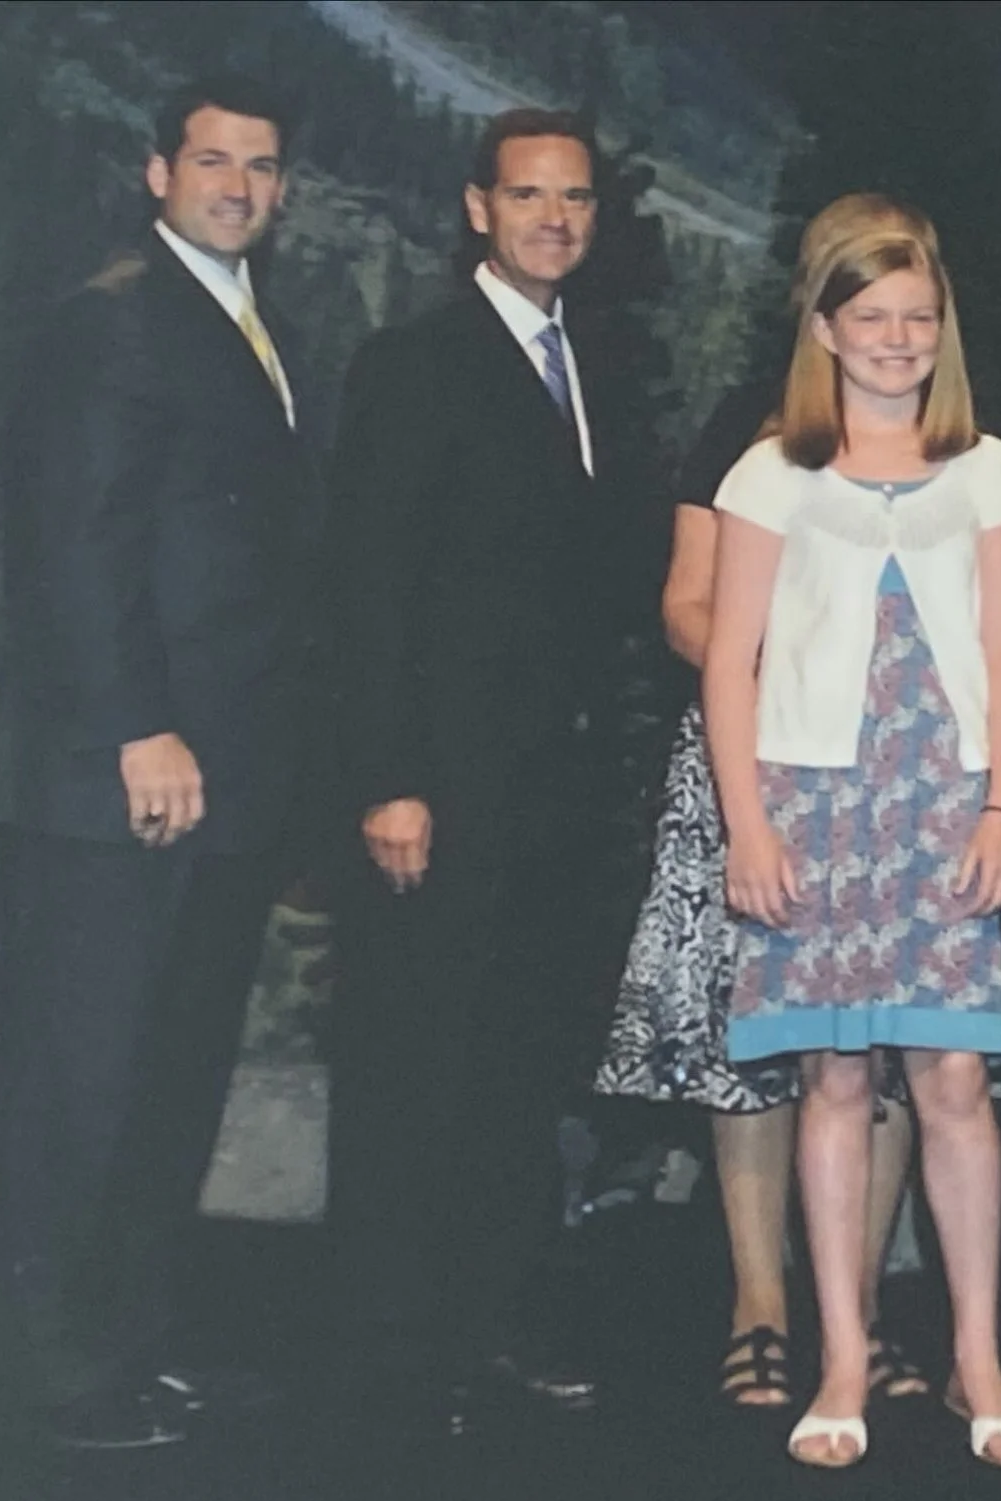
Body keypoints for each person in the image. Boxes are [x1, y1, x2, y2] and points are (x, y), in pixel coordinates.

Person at [0, 74, 314, 1450]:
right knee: (82, 1084)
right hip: (124, 783)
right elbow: (75, 542)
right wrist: (136, 727)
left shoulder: (245, 324)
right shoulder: (115, 322)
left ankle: (127, 1347)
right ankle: (52, 1374)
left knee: (168, 1085)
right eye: (215, 160)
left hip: (216, 786)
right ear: (157, 171)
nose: (240, 184)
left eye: (265, 165)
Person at [323, 107, 655, 1431]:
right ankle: (389, 1359)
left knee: (518, 1073)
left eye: (576, 198)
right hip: (442, 795)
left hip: (557, 801)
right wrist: (389, 778)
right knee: (417, 1070)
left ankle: (492, 1322)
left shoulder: (599, 365)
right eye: (530, 196)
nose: (556, 219)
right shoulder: (417, 360)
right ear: (478, 208)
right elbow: (368, 586)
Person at [593, 194, 941, 1413]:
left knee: (889, 1045)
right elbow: (688, 603)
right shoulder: (751, 436)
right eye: (853, 289)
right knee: (755, 1050)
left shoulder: (950, 439)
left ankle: (863, 1300)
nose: (885, 322)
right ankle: (760, 1306)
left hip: (900, 781)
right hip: (758, 768)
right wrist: (778, 671)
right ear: (816, 300)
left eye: (910, 293)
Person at [702, 226, 1001, 1469]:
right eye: (873, 316)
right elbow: (729, 664)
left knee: (953, 1085)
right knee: (833, 1080)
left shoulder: (988, 471)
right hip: (813, 809)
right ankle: (840, 1352)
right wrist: (747, 822)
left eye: (918, 316)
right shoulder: (769, 474)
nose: (898, 338)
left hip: (945, 806)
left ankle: (976, 1354)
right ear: (827, 330)